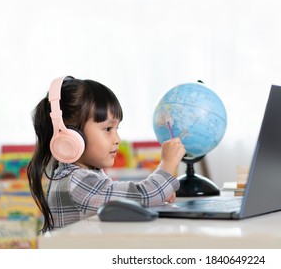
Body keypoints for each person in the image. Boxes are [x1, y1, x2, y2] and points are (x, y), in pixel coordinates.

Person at [27, 76, 185, 232]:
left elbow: (132, 203)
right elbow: (144, 196)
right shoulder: (76, 182)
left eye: (117, 129)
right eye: (108, 129)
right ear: (70, 137)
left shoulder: (84, 175)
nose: (117, 139)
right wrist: (168, 164)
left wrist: (158, 197)